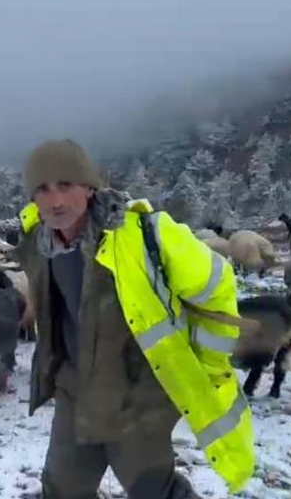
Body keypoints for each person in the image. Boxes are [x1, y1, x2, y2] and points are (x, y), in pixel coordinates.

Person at [15, 139, 255, 499]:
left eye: (66, 185)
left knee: (153, 491)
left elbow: (216, 284)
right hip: (74, 393)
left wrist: (208, 360)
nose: (56, 201)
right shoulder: (37, 242)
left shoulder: (145, 233)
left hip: (137, 400)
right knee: (62, 489)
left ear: (89, 187)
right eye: (43, 189)